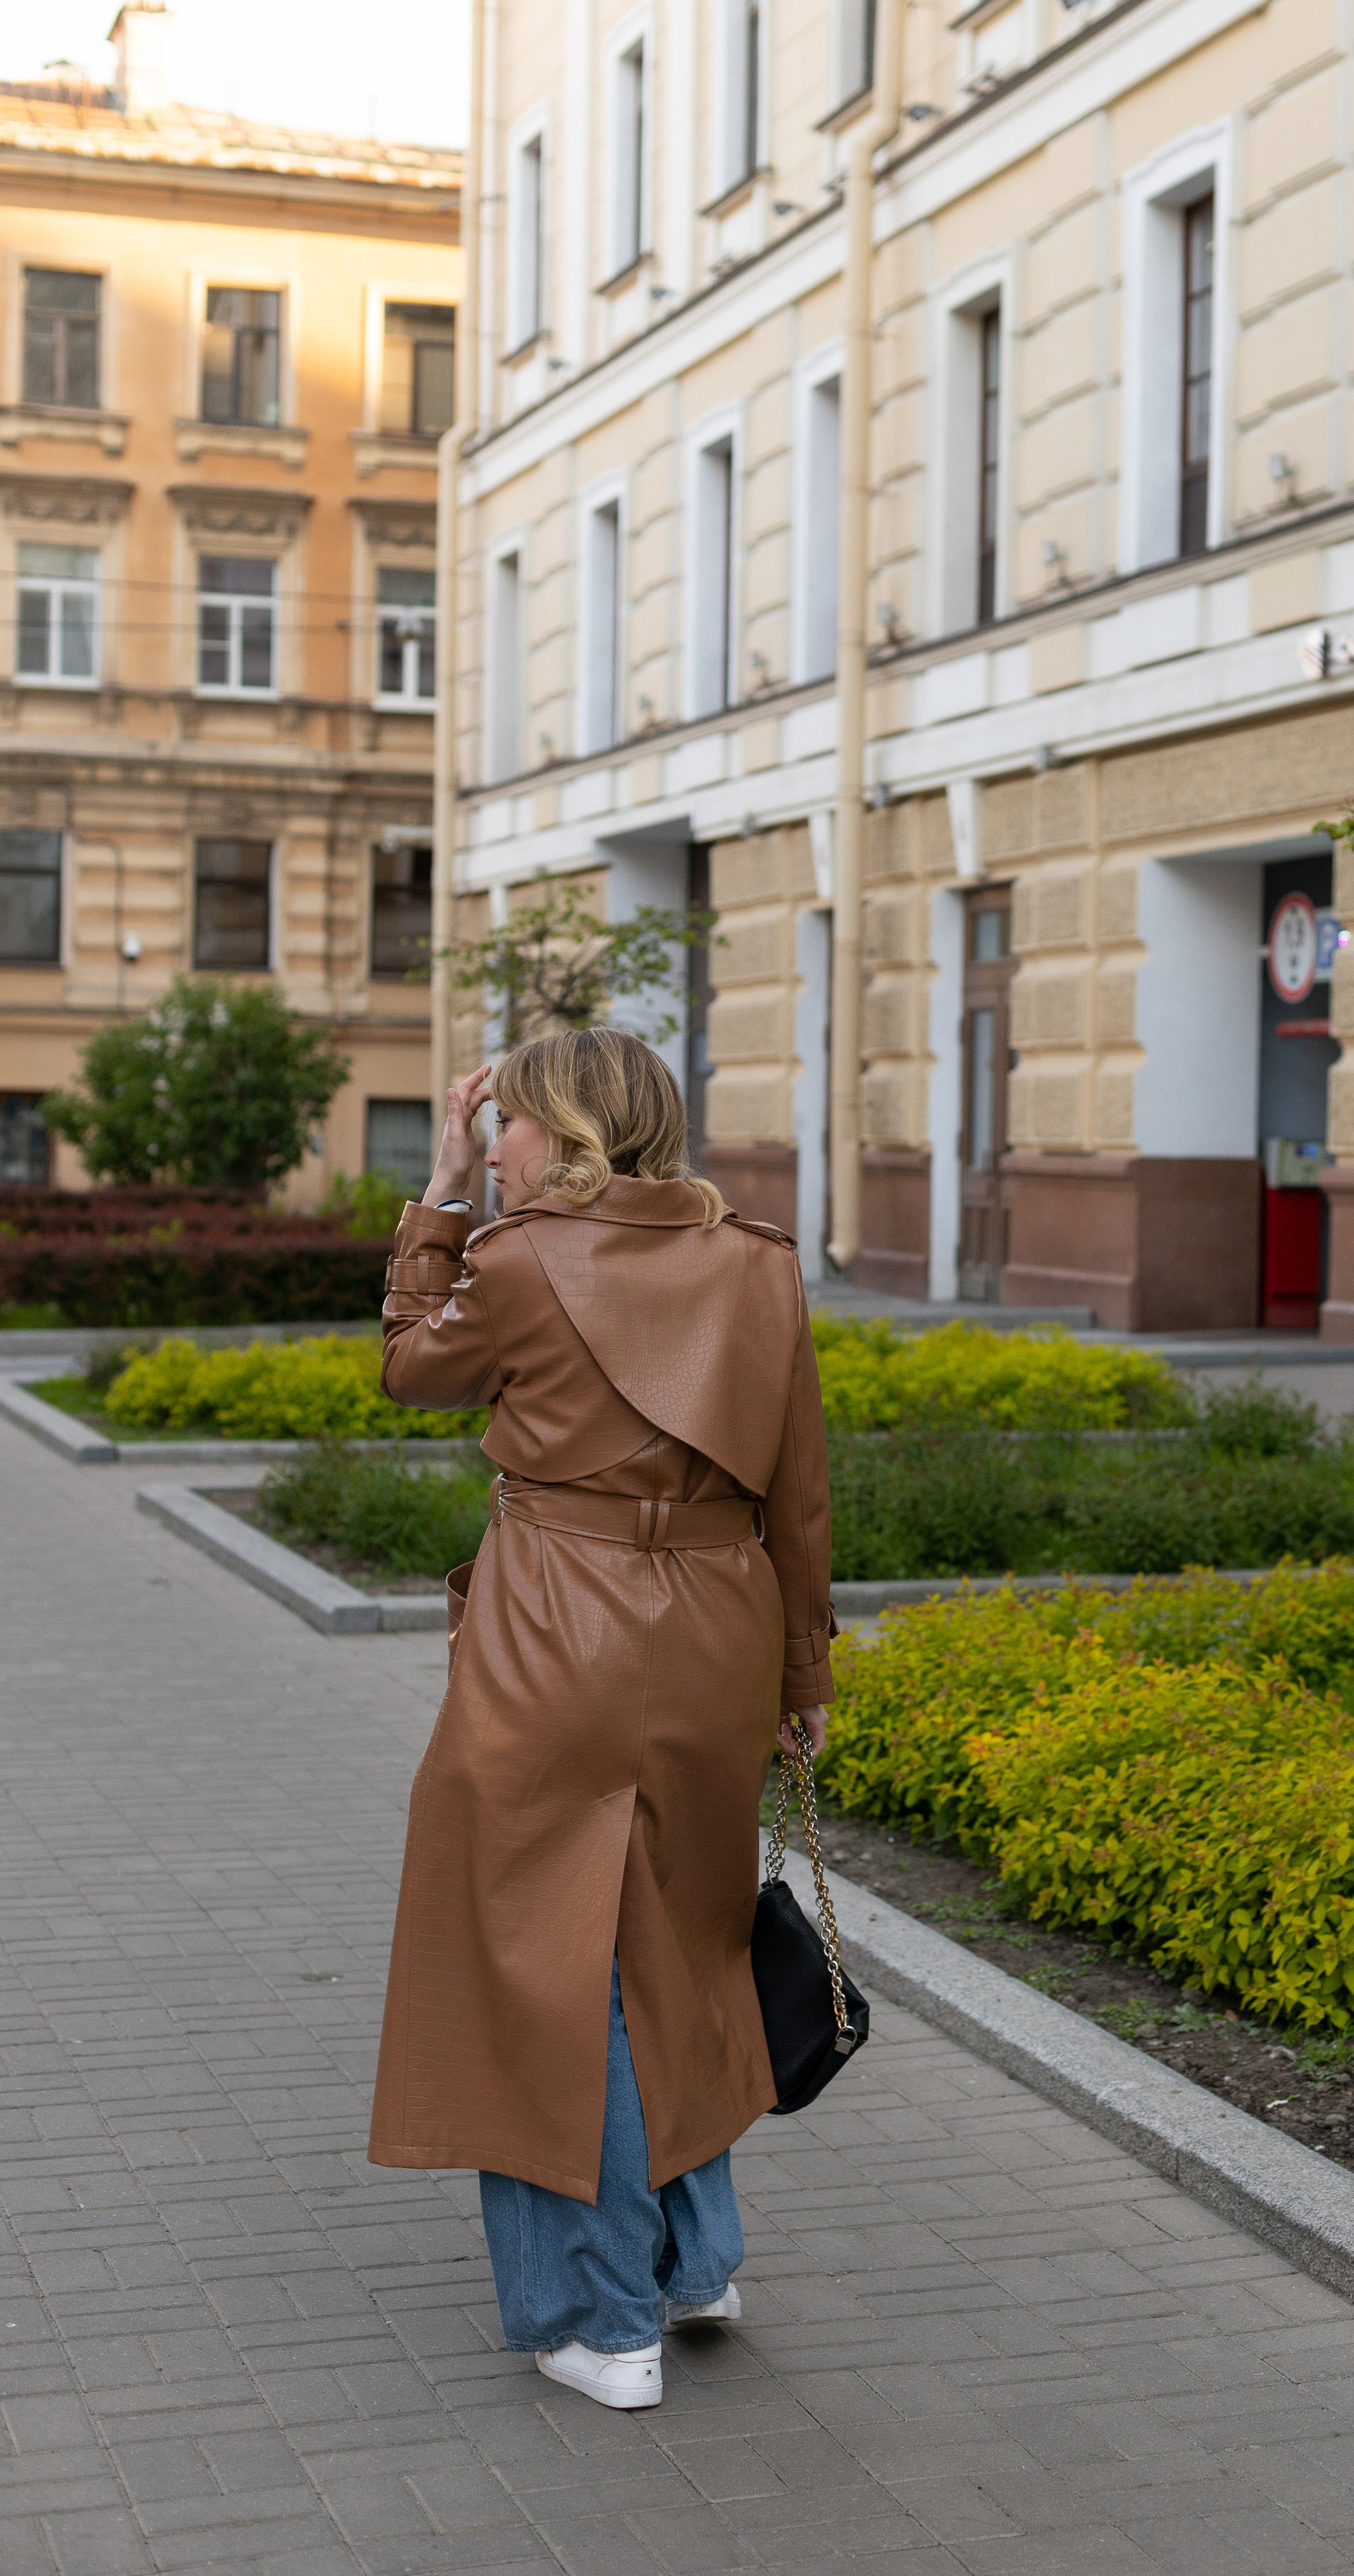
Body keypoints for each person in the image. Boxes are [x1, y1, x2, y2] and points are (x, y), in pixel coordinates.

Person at [367, 1027, 834, 2414]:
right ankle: (697, 2260)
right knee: (680, 1940)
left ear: (565, 1130)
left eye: (506, 1122)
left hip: (557, 1630)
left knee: (540, 1961)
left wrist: (442, 1195)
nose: (496, 1144)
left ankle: (602, 2316)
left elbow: (410, 1368)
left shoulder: (517, 1260)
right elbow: (799, 1488)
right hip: (719, 1629)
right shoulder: (760, 1261)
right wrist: (803, 1675)